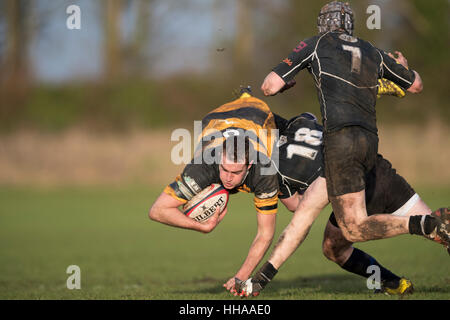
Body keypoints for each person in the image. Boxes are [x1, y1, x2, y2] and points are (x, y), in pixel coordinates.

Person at [260, 1, 449, 246]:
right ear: (350, 25)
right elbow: (415, 85)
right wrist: (404, 69)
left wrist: (285, 84)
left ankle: (418, 228)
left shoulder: (315, 43)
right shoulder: (371, 49)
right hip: (370, 146)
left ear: (322, 23)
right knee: (433, 226)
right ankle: (429, 227)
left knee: (349, 231)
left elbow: (269, 86)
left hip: (341, 147)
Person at [235, 112, 441, 297]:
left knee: (346, 235)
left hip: (346, 185)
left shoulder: (275, 169)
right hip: (378, 171)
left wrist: (262, 278)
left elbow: (297, 218)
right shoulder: (301, 121)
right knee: (333, 247)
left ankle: (422, 226)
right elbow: (308, 119)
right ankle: (392, 281)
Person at [149, 88, 280, 292]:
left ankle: (248, 96)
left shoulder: (264, 169)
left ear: (250, 164)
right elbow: (157, 210)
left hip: (257, 113)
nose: (228, 177)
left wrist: (241, 276)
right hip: (216, 117)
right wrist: (199, 226)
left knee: (292, 202)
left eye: (235, 172)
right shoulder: (203, 167)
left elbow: (265, 233)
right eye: (224, 169)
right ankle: (242, 95)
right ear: (218, 158)